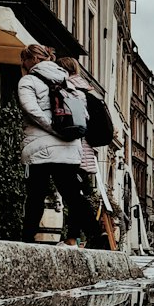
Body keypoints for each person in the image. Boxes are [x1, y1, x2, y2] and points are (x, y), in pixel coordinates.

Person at [17, 45, 107, 247]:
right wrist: (66, 133)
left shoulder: (28, 80)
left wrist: (52, 129)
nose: (22, 64)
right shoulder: (68, 82)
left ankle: (27, 239)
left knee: (36, 194)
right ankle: (97, 235)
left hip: (39, 147)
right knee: (73, 195)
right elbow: (83, 115)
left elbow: (30, 109)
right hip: (68, 148)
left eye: (24, 59)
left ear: (31, 60)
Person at [56, 57, 103, 246]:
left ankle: (94, 233)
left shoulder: (69, 89)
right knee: (76, 195)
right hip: (86, 149)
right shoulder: (89, 90)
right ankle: (72, 238)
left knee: (73, 196)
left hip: (73, 147)